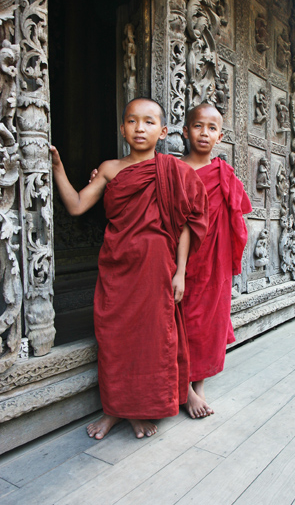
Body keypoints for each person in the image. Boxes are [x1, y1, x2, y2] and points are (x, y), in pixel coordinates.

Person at [51, 98, 209, 439]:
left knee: (152, 338)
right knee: (114, 337)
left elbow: (187, 224)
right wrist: (58, 169)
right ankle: (115, 409)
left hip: (157, 267)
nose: (140, 128)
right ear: (122, 128)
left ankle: (140, 410)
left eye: (149, 122)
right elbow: (77, 206)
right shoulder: (110, 168)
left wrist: (180, 272)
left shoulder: (174, 171)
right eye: (132, 121)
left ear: (163, 131)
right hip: (117, 266)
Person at [181, 103, 252, 419]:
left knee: (209, 321)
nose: (204, 133)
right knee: (177, 320)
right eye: (198, 126)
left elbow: (237, 214)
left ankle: (199, 384)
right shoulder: (171, 169)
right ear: (186, 131)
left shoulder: (224, 174)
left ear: (220, 136)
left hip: (214, 262)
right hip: (178, 259)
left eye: (212, 128)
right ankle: (184, 389)